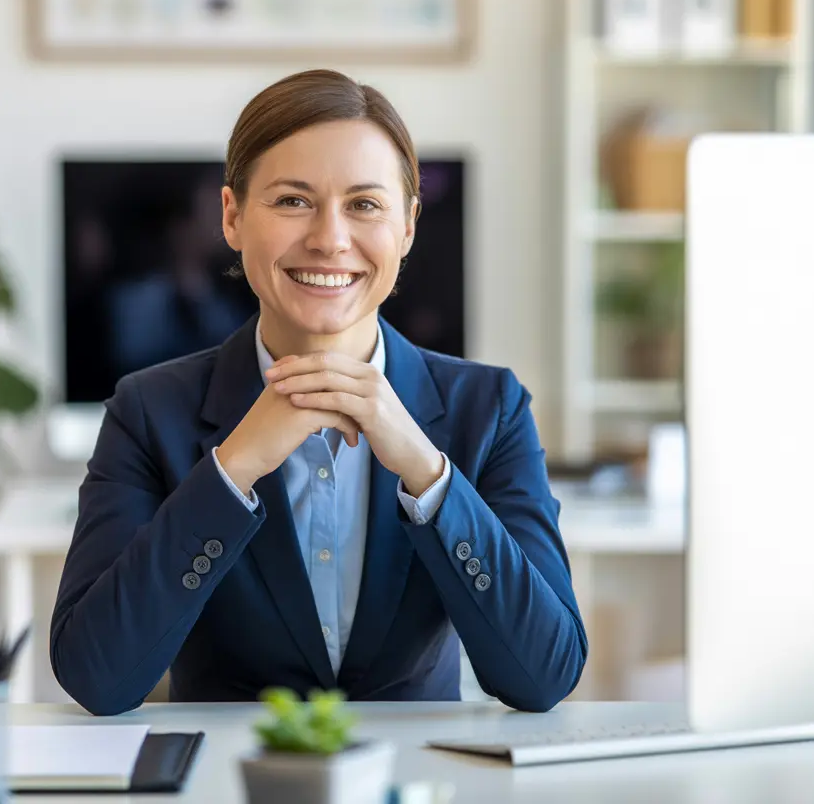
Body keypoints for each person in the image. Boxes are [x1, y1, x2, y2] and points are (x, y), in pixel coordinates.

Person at [50, 69, 588, 716]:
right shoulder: (147, 412)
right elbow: (97, 678)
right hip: (228, 769)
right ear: (232, 216)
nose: (330, 239)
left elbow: (544, 676)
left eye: (365, 205)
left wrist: (428, 474)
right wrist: (234, 468)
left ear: (408, 226)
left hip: (420, 769)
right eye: (292, 201)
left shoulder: (490, 410)